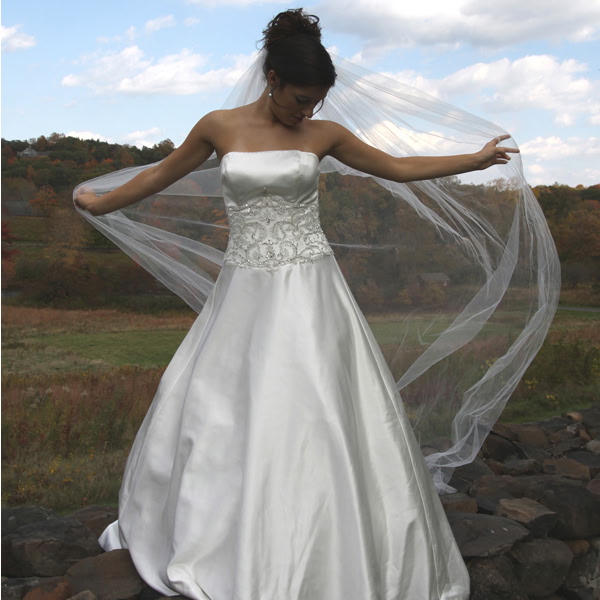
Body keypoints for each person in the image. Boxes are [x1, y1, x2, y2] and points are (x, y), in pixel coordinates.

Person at [74, 8, 557, 600]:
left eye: (317, 102)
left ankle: (337, 533)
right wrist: (100, 204)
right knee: (226, 403)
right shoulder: (218, 127)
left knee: (322, 400)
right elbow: (161, 175)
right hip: (245, 288)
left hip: (312, 287)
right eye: (300, 99)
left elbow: (395, 168)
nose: (307, 112)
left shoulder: (323, 135)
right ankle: (222, 531)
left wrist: (473, 160)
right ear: (272, 78)